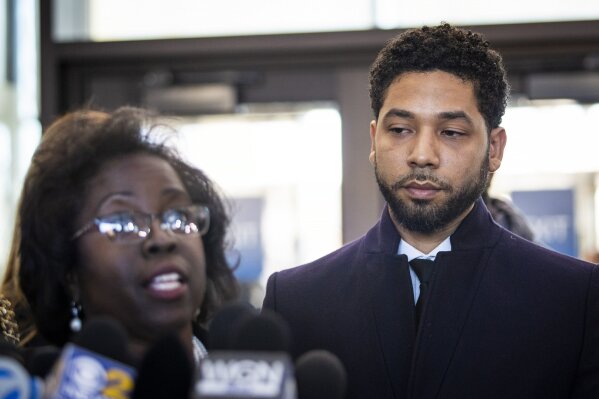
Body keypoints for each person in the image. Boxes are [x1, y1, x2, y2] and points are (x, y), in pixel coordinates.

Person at [262, 23, 599, 399]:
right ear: (374, 139)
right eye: (401, 129)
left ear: (494, 148)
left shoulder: (573, 299)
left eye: (451, 132)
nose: (422, 154)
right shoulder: (296, 299)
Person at [0, 107, 239, 363]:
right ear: (69, 272)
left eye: (177, 216)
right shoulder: (33, 386)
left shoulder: (247, 375)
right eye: (123, 223)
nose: (162, 239)